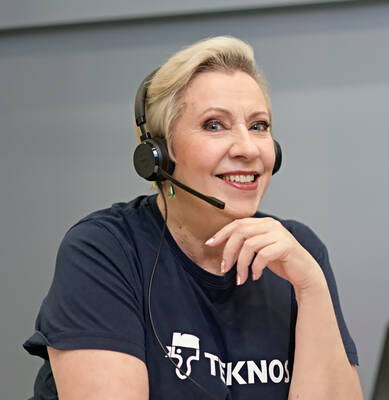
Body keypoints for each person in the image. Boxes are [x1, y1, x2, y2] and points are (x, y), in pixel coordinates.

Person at [23, 36, 362, 399]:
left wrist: (311, 287)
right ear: (159, 155)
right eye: (215, 125)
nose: (248, 149)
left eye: (259, 126)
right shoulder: (104, 251)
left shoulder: (296, 251)